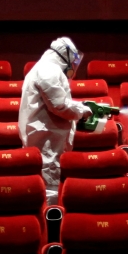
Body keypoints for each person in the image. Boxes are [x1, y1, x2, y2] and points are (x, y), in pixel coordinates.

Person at [19, 37, 93, 206]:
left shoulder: (46, 68)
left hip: (48, 140)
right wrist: (83, 111)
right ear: (64, 54)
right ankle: (50, 229)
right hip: (46, 142)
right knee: (49, 192)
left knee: (49, 187)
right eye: (73, 60)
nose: (74, 65)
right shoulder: (48, 70)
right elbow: (59, 105)